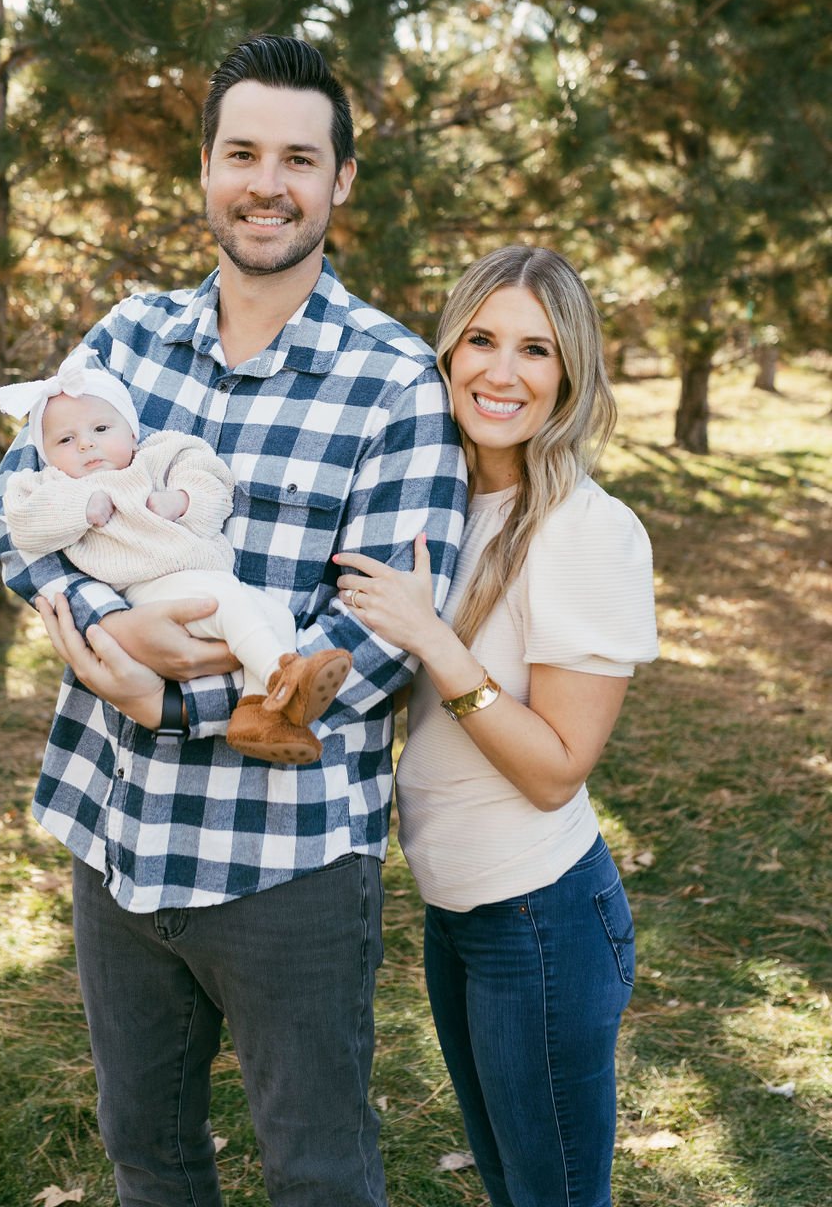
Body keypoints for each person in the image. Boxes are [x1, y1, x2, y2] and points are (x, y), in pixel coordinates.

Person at [0, 34, 468, 1207]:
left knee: (319, 1170)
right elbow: (13, 509)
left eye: (299, 158)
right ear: (203, 168)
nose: (268, 182)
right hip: (118, 833)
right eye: (241, 152)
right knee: (147, 1154)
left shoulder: (395, 381)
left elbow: (384, 632)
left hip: (286, 861)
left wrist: (176, 696)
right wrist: (112, 634)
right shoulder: (124, 341)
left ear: (340, 182)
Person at [333, 245, 658, 1207]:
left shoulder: (588, 530)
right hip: (456, 914)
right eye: (480, 339)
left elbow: (557, 769)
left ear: (570, 376)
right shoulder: (443, 502)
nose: (500, 373)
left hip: (542, 919)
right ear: (446, 349)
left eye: (535, 351)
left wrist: (437, 642)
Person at [0, 351, 353, 764]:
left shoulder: (159, 456)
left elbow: (214, 482)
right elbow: (21, 524)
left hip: (206, 576)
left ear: (132, 432)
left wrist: (181, 500)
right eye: (65, 440)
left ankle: (258, 715)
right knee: (230, 606)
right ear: (47, 456)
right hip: (151, 590)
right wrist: (80, 508)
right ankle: (283, 676)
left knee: (278, 616)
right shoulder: (52, 485)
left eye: (100, 428)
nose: (86, 443)